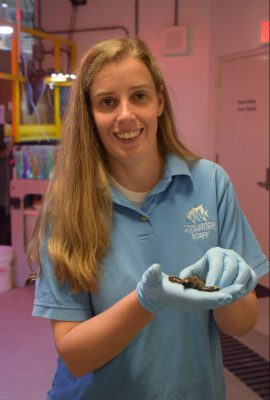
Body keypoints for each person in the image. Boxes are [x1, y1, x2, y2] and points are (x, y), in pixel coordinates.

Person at [29, 37, 269, 400]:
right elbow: (75, 354)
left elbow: (242, 323)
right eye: (107, 102)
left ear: (159, 101)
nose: (125, 115)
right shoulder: (68, 205)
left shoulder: (209, 182)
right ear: (90, 114)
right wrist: (145, 303)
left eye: (138, 96)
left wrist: (229, 286)